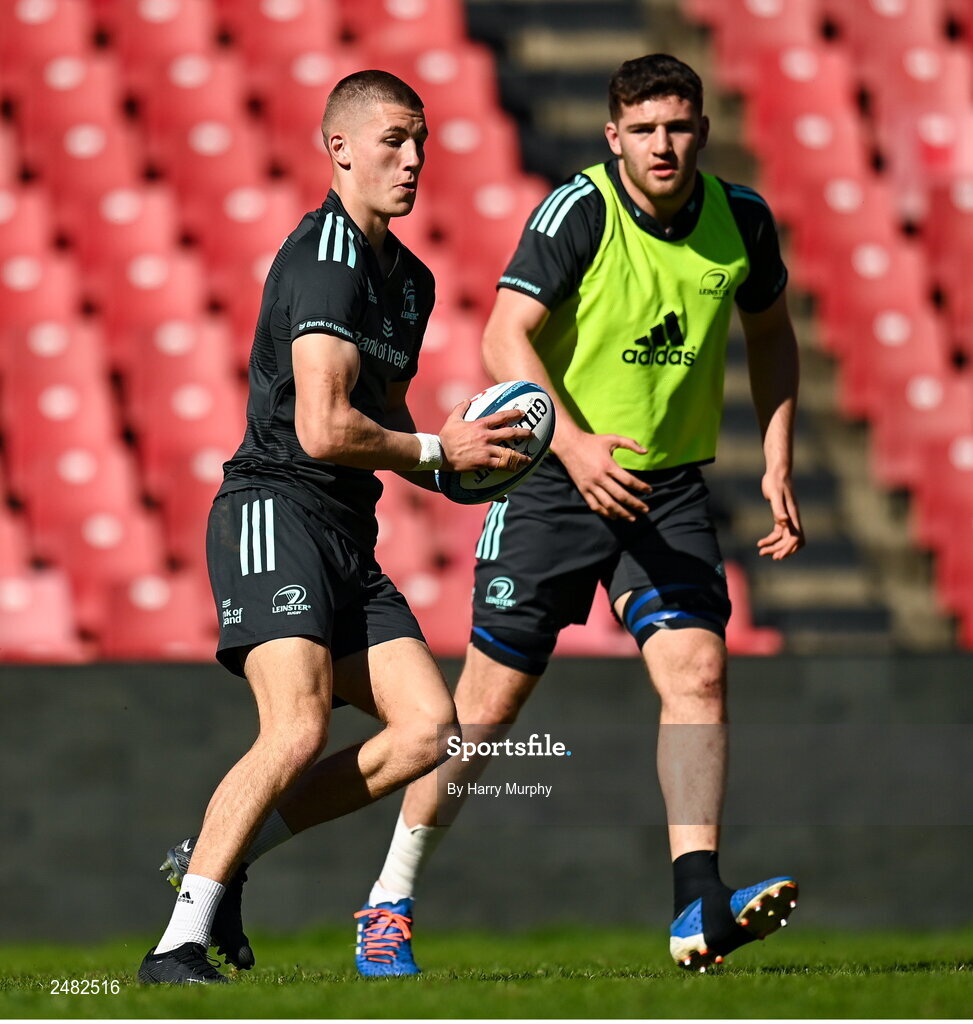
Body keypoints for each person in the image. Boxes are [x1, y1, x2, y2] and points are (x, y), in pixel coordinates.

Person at [351, 52, 805, 975]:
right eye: (642, 130)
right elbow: (501, 334)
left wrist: (776, 457)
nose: (662, 144)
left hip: (666, 486)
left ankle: (695, 905)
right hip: (549, 482)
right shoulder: (580, 209)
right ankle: (388, 901)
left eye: (677, 127)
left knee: (698, 674)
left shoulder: (742, 221)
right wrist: (572, 445)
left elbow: (771, 333)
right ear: (614, 138)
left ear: (703, 132)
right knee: (482, 714)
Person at [138, 69, 532, 985]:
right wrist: (439, 446)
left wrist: (461, 470)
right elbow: (322, 429)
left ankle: (220, 865)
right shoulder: (323, 257)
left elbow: (385, 427)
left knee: (429, 728)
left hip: (345, 532)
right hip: (274, 511)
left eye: (421, 140)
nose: (413, 158)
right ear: (339, 148)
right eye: (392, 139)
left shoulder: (411, 280)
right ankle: (175, 944)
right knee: (295, 727)